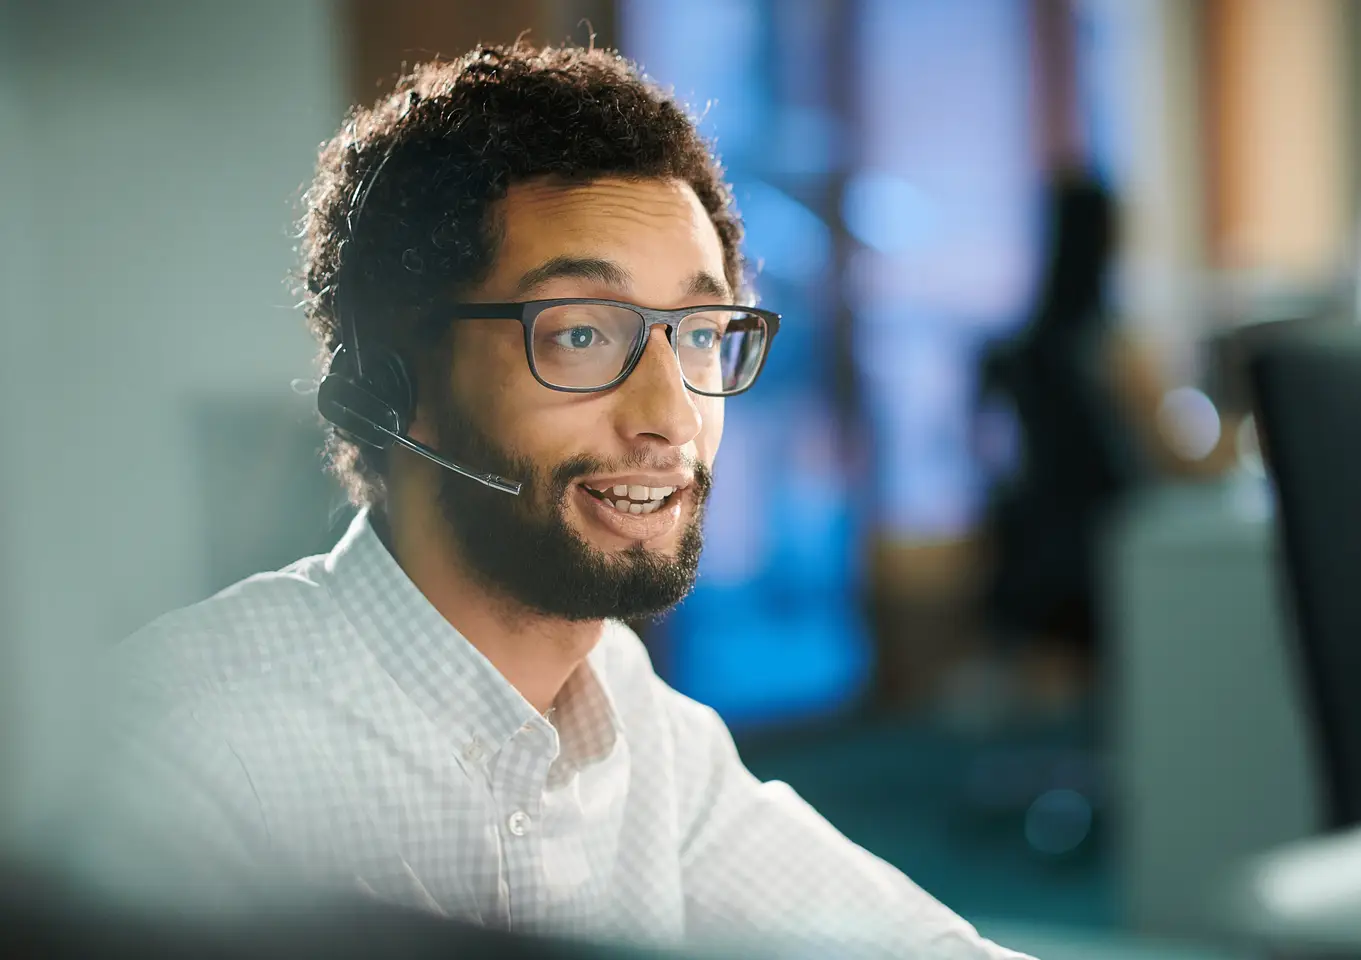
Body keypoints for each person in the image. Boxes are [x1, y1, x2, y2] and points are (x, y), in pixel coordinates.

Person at [64, 43, 1028, 960]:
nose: (670, 419)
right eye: (579, 336)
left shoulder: (631, 716)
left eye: (697, 334)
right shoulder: (188, 759)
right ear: (392, 384)